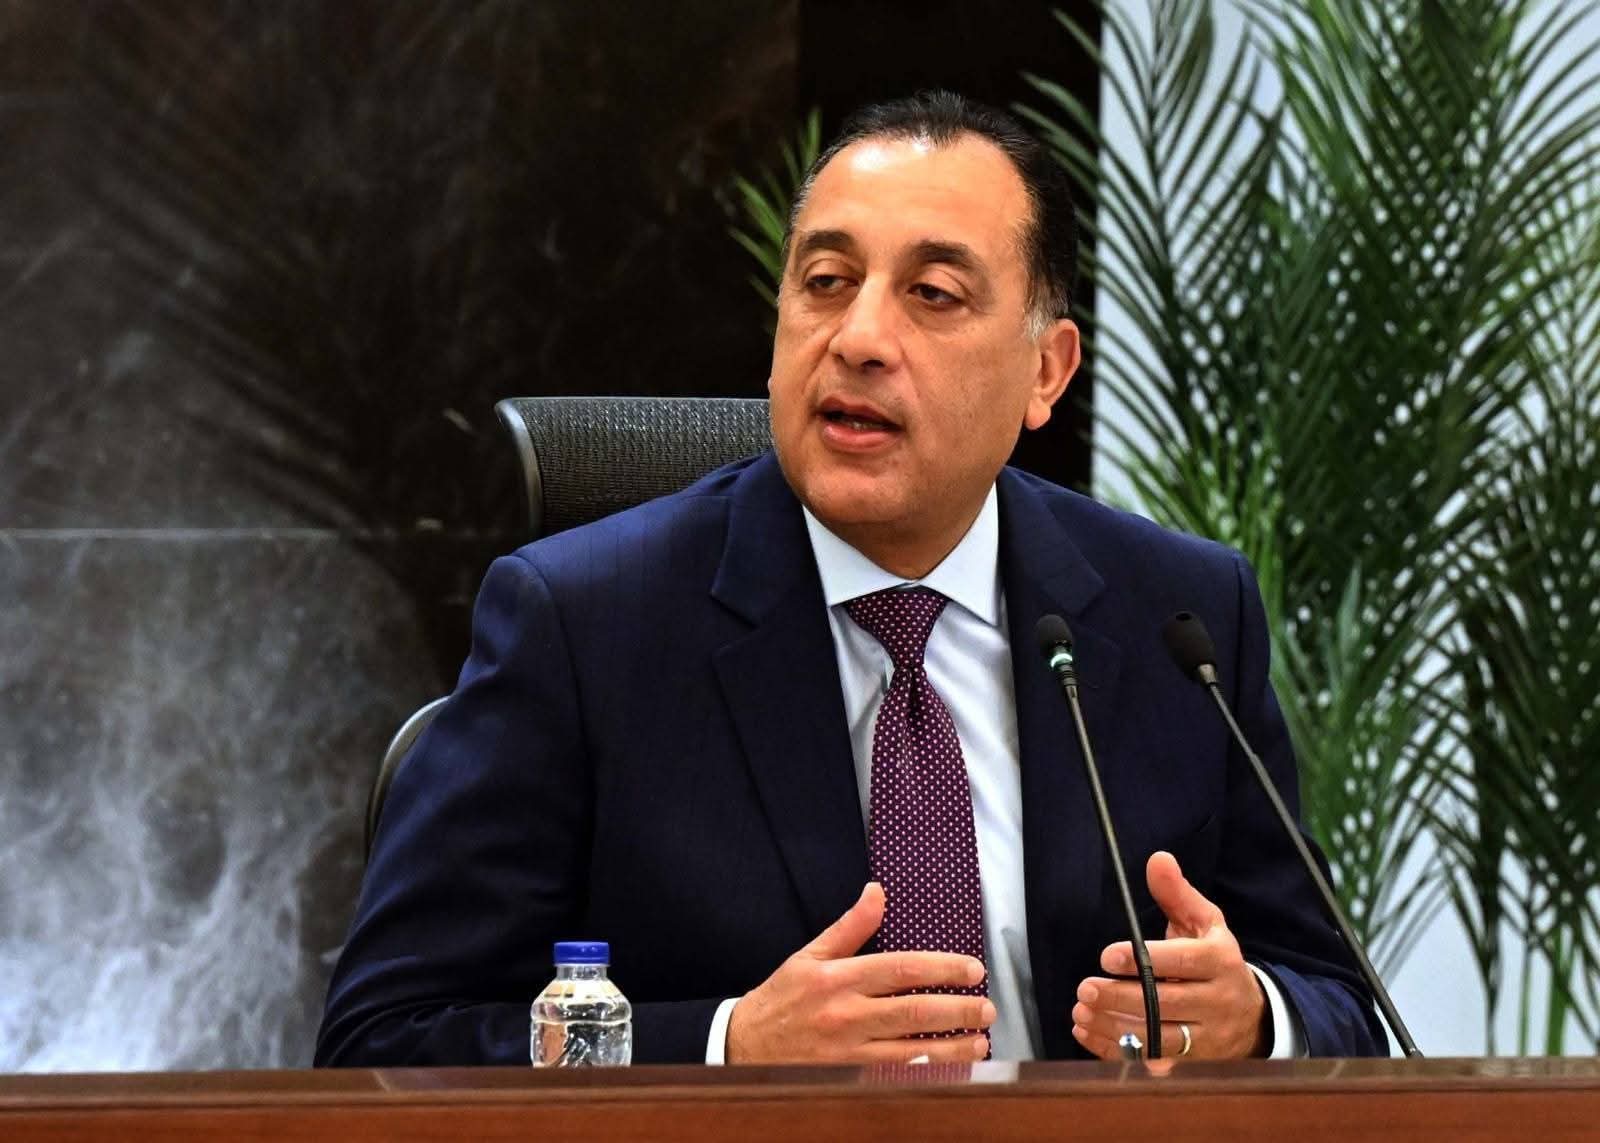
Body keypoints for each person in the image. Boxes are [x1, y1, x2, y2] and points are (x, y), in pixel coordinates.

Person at [316, 91, 1385, 1067]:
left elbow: (1339, 1000)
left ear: (1046, 370)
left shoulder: (1178, 619)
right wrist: (729, 1046)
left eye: (932, 293)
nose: (860, 337)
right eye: (826, 282)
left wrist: (1253, 1016)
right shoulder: (584, 625)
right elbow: (384, 1039)